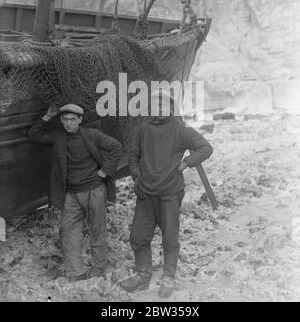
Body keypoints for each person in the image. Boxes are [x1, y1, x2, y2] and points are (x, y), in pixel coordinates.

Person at [119, 89, 213, 297]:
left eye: (163, 106)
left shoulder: (180, 129)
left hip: (170, 193)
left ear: (171, 108)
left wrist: (186, 163)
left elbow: (205, 148)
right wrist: (136, 176)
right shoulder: (143, 129)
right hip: (146, 193)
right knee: (138, 237)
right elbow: (133, 156)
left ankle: (168, 277)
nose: (159, 110)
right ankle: (143, 275)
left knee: (170, 238)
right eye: (154, 106)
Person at [28, 104, 123, 281]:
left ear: (80, 120)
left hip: (94, 191)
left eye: (73, 120)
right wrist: (47, 115)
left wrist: (105, 171)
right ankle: (76, 272)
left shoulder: (91, 135)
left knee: (97, 231)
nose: (69, 124)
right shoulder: (58, 137)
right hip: (71, 194)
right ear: (61, 121)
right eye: (65, 120)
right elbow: (34, 135)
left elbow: (116, 147)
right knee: (68, 231)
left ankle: (98, 268)